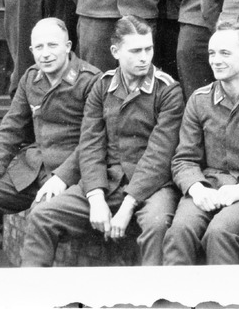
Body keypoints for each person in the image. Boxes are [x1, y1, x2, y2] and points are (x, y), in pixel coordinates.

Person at [20, 17, 184, 266]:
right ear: (115, 52)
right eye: (135, 51)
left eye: (148, 49)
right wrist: (96, 198)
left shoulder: (168, 91)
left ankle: (152, 291)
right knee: (42, 215)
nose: (144, 58)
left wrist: (128, 206)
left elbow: (159, 156)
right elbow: (90, 145)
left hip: (152, 187)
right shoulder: (102, 87)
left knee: (156, 224)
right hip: (107, 181)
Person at [0, 18, 99, 267]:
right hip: (33, 170)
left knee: (41, 214)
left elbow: (92, 141)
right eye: (39, 47)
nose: (45, 54)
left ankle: (32, 288)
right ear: (32, 51)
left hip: (71, 174)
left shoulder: (90, 80)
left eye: (52, 45)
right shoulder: (31, 78)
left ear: (68, 47)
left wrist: (63, 177)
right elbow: (11, 128)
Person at [163, 23, 239, 265]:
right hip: (209, 187)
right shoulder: (199, 100)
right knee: (179, 231)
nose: (216, 61)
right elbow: (184, 159)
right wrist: (197, 189)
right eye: (212, 53)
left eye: (225, 53)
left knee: (220, 233)